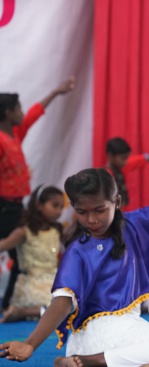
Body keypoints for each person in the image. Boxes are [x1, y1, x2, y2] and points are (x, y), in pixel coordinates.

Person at [0, 168, 149, 367]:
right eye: (82, 212)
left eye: (99, 210)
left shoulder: (133, 224)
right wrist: (30, 344)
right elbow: (61, 303)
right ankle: (89, 362)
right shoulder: (78, 251)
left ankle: (124, 363)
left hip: (130, 329)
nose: (92, 219)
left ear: (116, 202)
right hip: (96, 334)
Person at [0, 77, 75, 309]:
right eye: (19, 109)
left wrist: (56, 91)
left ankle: (10, 301)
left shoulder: (14, 134)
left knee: (17, 253)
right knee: (13, 249)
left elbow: (34, 114)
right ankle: (11, 301)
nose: (23, 112)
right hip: (3, 205)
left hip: (14, 204)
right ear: (8, 112)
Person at [0, 185, 64, 322]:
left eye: (61, 207)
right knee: (66, 306)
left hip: (54, 283)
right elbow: (3, 245)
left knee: (77, 302)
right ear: (38, 205)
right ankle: (25, 311)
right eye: (55, 205)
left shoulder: (57, 231)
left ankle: (24, 313)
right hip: (32, 286)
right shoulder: (24, 232)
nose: (59, 211)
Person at [105, 137, 149, 210]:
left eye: (126, 158)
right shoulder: (108, 175)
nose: (125, 162)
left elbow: (133, 161)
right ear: (111, 156)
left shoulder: (119, 167)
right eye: (123, 158)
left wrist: (146, 158)